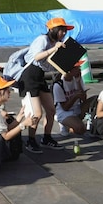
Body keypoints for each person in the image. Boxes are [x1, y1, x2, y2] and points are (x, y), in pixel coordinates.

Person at [19, 17, 73, 153]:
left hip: (40, 76)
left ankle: (46, 138)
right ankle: (30, 140)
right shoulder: (43, 40)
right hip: (30, 75)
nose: (63, 33)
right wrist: (54, 49)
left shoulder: (57, 43)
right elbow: (37, 57)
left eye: (65, 31)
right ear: (52, 30)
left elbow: (51, 65)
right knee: (36, 113)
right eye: (61, 30)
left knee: (51, 110)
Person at [52, 61, 88, 136]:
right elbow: (65, 108)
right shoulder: (58, 85)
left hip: (76, 108)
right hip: (64, 112)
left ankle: (75, 122)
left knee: (94, 100)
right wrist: (75, 97)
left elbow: (84, 98)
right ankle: (64, 122)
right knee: (80, 129)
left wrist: (78, 82)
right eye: (76, 68)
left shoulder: (77, 78)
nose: (79, 70)